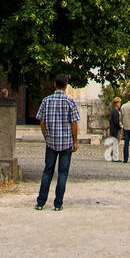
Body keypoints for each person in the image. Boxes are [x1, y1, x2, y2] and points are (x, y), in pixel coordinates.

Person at [35, 74, 80, 211]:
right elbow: (74, 123)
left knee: (47, 172)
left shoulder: (46, 101)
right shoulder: (69, 101)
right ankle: (58, 204)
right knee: (62, 173)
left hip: (51, 142)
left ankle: (41, 202)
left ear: (54, 84)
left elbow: (42, 122)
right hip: (66, 142)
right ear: (66, 86)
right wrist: (75, 141)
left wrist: (46, 136)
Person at [108, 96, 122, 162]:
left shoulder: (114, 111)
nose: (120, 104)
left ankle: (112, 156)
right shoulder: (115, 112)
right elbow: (116, 122)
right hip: (115, 130)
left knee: (114, 143)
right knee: (115, 144)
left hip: (113, 129)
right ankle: (115, 157)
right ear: (116, 103)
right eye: (119, 102)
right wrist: (120, 127)